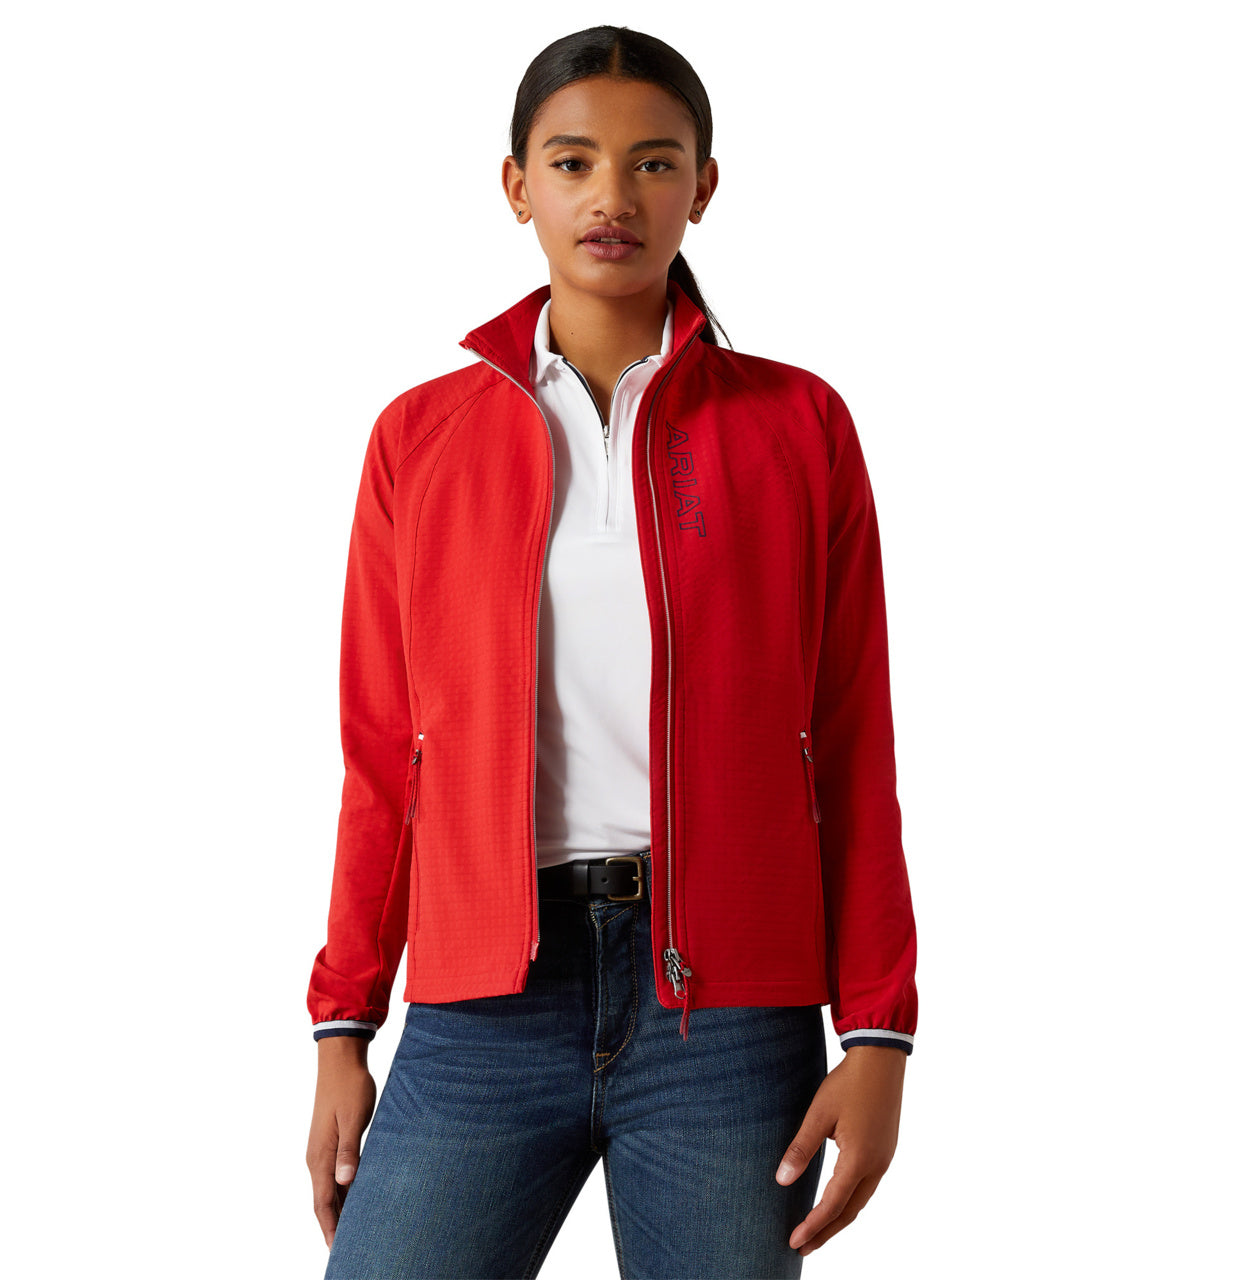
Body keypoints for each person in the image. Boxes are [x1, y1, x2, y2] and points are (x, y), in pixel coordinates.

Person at [305, 24, 918, 1279]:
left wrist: (876, 1032)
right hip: (483, 1001)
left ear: (702, 186)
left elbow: (853, 745)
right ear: (516, 184)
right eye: (573, 161)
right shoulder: (418, 439)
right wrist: (342, 1022)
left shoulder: (797, 425)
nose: (612, 198)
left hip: (727, 1012)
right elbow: (382, 754)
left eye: (652, 163)